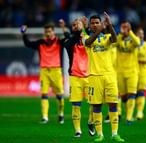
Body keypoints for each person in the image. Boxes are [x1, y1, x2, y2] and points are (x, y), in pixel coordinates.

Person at [83, 13, 125, 142]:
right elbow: (89, 42)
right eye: (93, 23)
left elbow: (114, 39)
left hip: (110, 75)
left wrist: (110, 25)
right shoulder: (85, 37)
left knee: (113, 104)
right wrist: (100, 28)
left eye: (97, 22)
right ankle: (100, 134)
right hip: (94, 76)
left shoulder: (107, 37)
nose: (95, 25)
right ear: (89, 26)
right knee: (96, 106)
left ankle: (114, 134)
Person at [21, 23, 65, 124]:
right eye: (46, 32)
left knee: (60, 96)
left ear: (53, 32)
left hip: (56, 71)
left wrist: (63, 28)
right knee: (44, 94)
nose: (48, 33)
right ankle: (45, 117)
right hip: (44, 71)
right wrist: (24, 34)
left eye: (50, 31)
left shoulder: (59, 42)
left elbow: (69, 38)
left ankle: (61, 114)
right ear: (44, 33)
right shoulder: (40, 43)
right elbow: (28, 44)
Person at [59, 18, 95, 137]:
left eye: (77, 24)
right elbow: (70, 42)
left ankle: (91, 122)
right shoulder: (69, 39)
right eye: (73, 25)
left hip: (90, 75)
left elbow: (91, 38)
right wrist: (81, 29)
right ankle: (78, 130)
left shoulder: (88, 37)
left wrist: (85, 29)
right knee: (76, 105)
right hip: (75, 76)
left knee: (94, 104)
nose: (75, 26)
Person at [115, 21, 141, 125]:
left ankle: (129, 118)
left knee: (132, 94)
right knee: (124, 97)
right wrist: (121, 33)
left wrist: (130, 31)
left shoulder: (133, 40)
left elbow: (138, 43)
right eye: (123, 27)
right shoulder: (119, 40)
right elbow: (114, 42)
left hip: (132, 72)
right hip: (120, 72)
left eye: (126, 27)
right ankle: (127, 114)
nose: (125, 29)